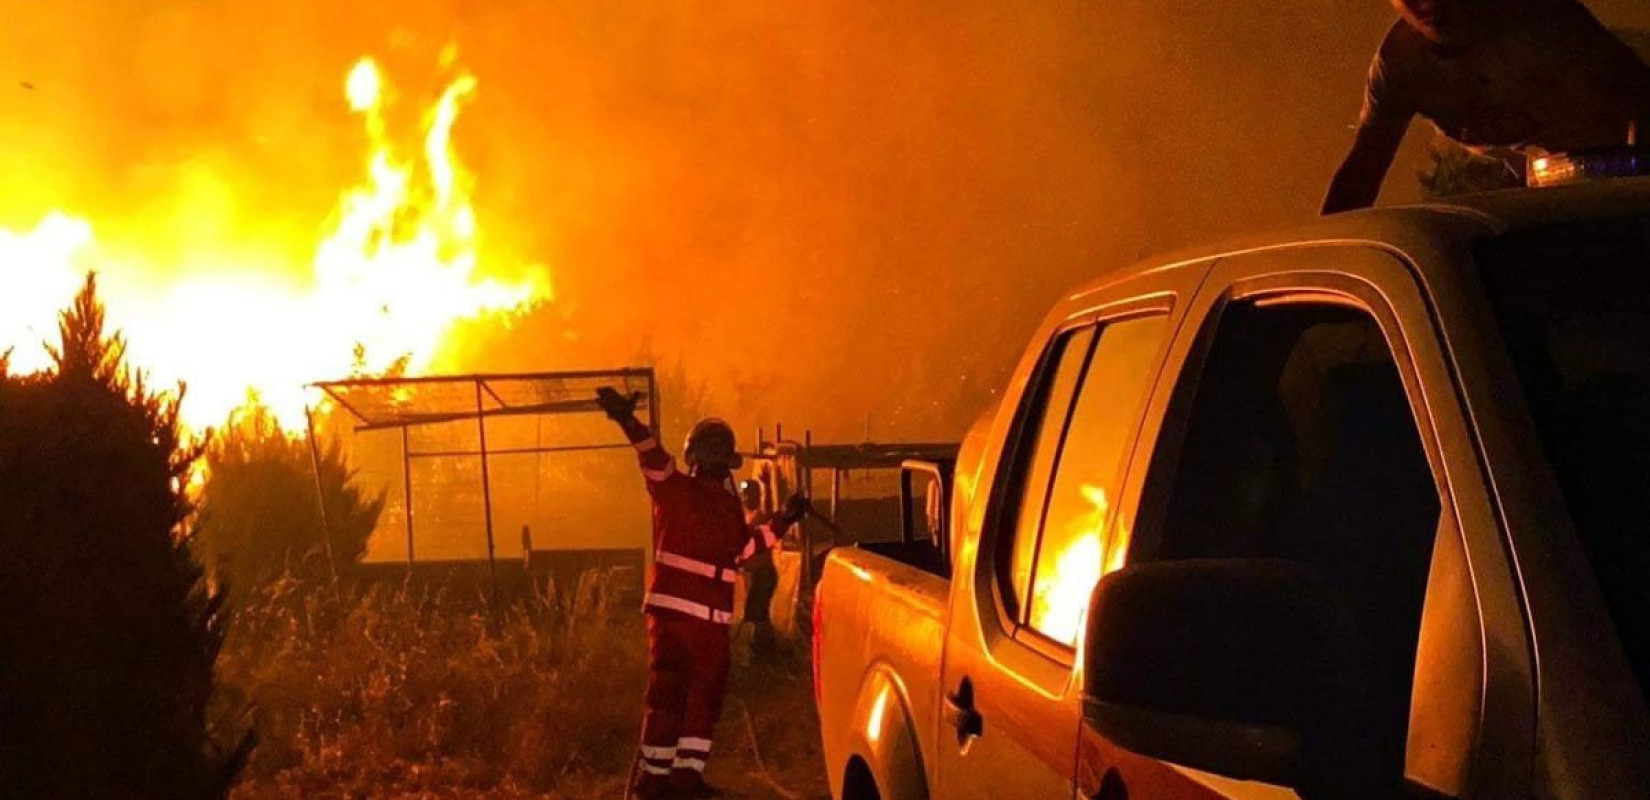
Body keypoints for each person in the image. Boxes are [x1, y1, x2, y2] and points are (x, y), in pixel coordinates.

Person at [595, 387, 807, 800]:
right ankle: (654, 785)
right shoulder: (676, 489)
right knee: (672, 697)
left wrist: (783, 520)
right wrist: (628, 421)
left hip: (705, 625)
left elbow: (744, 549)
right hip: (681, 621)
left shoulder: (716, 503)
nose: (717, 461)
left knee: (699, 702)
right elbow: (652, 456)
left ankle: (682, 780)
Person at [1322, 0, 1650, 213]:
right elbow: (1361, 175)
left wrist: (1632, 195)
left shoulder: (1540, 18)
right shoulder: (1400, 68)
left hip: (1621, 177)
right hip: (1548, 192)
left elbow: (1640, 94)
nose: (1427, 2)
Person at [737, 478, 782, 662]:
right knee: (758, 613)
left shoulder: (758, 519)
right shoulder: (749, 517)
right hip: (757, 574)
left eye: (749, 494)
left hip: (763, 574)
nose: (746, 498)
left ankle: (766, 650)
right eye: (744, 494)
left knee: (757, 613)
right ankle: (763, 649)